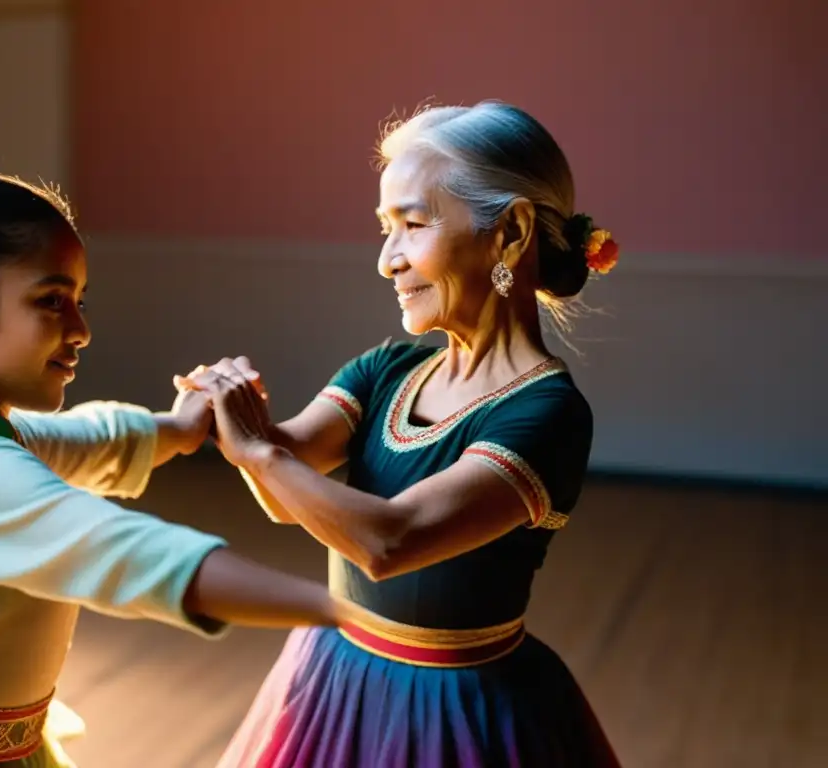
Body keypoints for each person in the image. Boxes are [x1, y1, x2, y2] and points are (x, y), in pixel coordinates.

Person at [0, 172, 356, 768]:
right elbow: (121, 550)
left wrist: (177, 428)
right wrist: (338, 610)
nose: (80, 329)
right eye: (51, 301)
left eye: (80, 301)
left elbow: (88, 438)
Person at [179, 101, 623, 767]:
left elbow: (390, 540)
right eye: (385, 230)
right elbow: (284, 486)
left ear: (509, 233)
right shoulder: (390, 367)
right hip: (332, 673)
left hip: (460, 710)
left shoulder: (548, 414)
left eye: (412, 225)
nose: (388, 261)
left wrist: (256, 446)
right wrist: (225, 414)